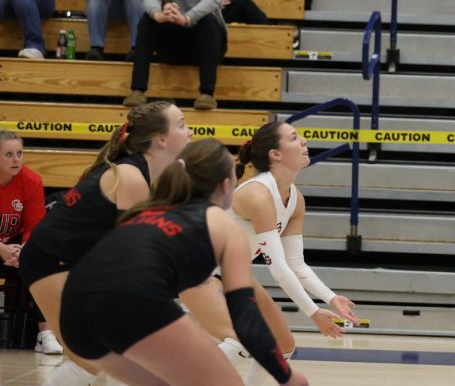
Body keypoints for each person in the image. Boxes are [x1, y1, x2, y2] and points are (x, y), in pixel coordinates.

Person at [59, 139, 308, 386]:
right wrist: (285, 375)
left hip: (74, 304)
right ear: (224, 186)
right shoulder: (221, 223)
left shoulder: (148, 208)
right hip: (130, 303)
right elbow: (246, 317)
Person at [19, 102, 191, 386]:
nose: (190, 131)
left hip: (78, 263)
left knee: (107, 356)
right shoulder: (131, 177)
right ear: (161, 139)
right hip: (50, 261)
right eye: (182, 124)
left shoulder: (149, 174)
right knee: (102, 356)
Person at [228, 122, 358, 370]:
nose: (304, 142)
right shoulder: (259, 195)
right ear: (275, 154)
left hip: (232, 274)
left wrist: (331, 299)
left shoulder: (296, 199)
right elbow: (277, 267)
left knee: (283, 347)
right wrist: (312, 312)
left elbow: (295, 263)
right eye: (294, 138)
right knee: (242, 342)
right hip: (200, 272)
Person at [125, 0, 227, 112]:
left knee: (209, 20)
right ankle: (137, 90)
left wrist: (187, 18)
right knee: (147, 20)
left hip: (207, 44)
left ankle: (207, 94)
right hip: (174, 41)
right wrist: (159, 14)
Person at [0, 130, 59, 355]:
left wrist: (24, 251)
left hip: (14, 247)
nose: (16, 159)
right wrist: (2, 249)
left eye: (19, 153)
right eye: (9, 154)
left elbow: (34, 226)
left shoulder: (32, 180)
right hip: (3, 247)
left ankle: (45, 334)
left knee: (41, 257)